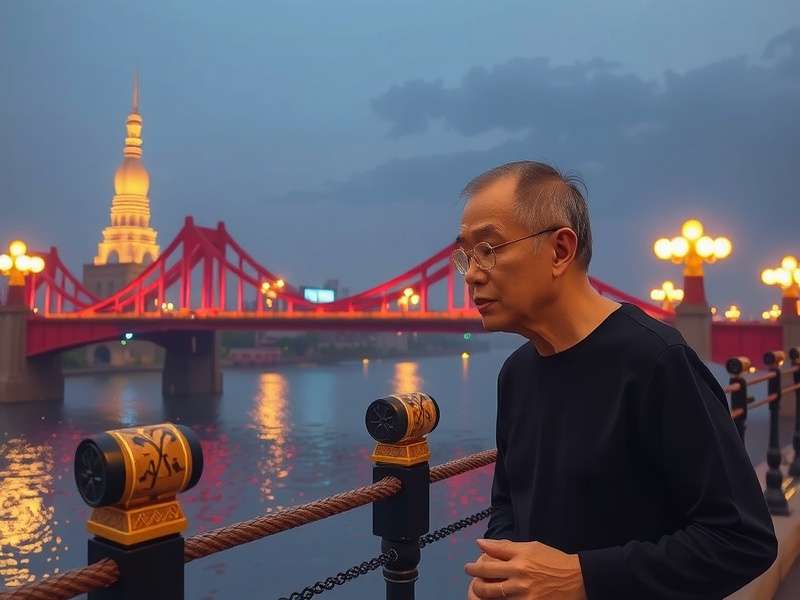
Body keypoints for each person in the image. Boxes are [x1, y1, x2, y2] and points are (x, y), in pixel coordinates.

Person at [456, 161, 777, 599]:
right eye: (466, 255)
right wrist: (500, 572)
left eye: (489, 249)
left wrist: (585, 577)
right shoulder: (516, 374)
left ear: (560, 251)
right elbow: (510, 501)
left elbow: (742, 540)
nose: (472, 273)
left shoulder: (656, 362)